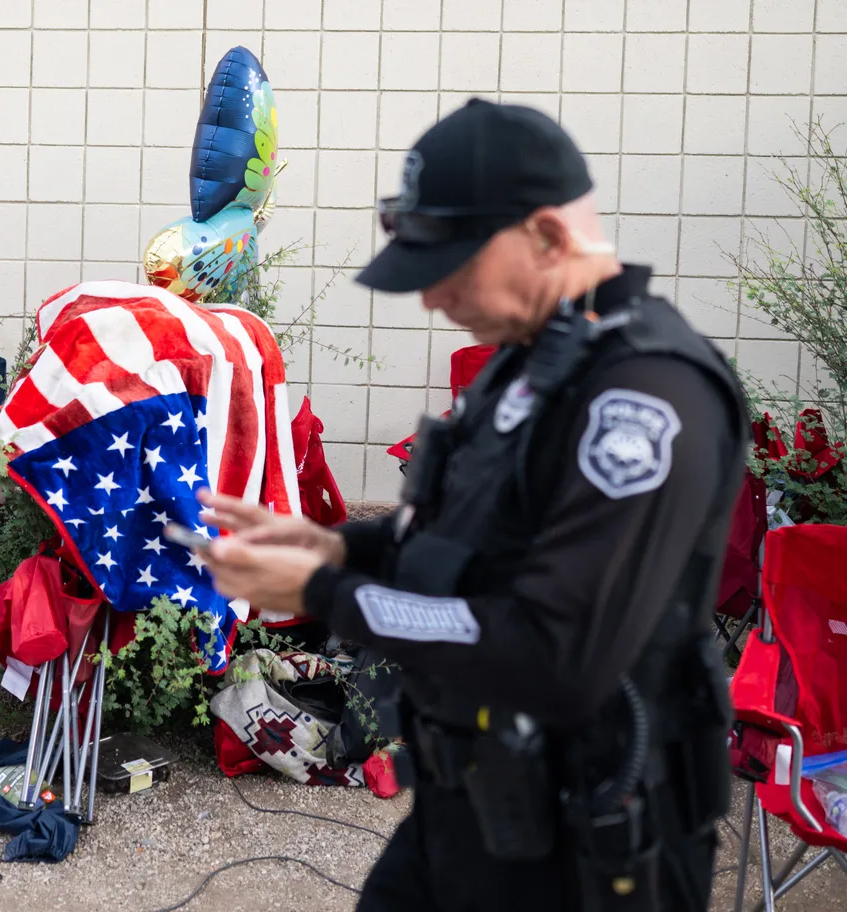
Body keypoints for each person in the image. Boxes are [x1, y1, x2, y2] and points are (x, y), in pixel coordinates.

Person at [198, 99, 746, 911]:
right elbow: (461, 540)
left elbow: (556, 654)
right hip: (473, 809)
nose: (431, 299)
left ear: (549, 238)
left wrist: (319, 594)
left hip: (589, 851)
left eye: (451, 271)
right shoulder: (533, 363)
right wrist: (333, 547)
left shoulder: (648, 394)